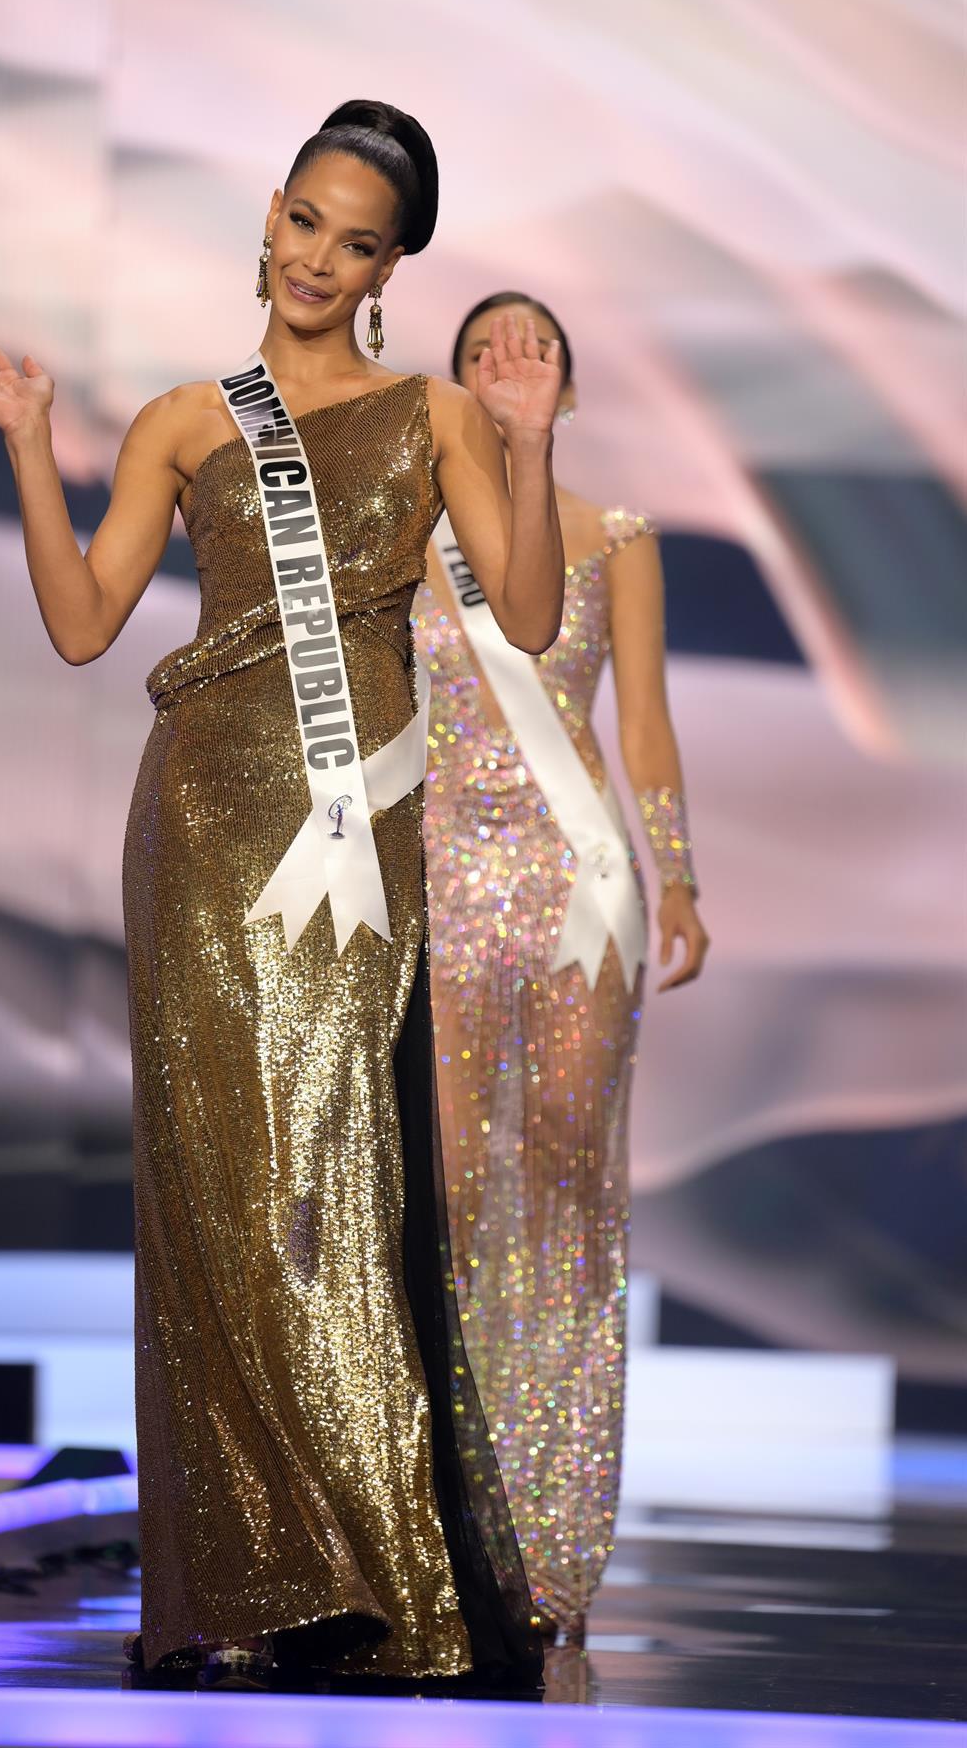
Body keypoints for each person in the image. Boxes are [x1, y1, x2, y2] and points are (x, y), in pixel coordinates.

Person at [0, 108, 565, 1689]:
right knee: (213, 1191)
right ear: (270, 216)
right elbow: (86, 623)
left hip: (347, 834)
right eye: (304, 220)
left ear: (389, 264)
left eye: (355, 241)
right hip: (206, 822)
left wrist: (530, 441)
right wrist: (30, 446)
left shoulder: (429, 411)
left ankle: (363, 1563)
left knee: (328, 1182)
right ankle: (239, 1578)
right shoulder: (179, 420)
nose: (316, 257)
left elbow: (532, 608)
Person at [415, 290, 710, 1646]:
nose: (504, 366)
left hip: (577, 886)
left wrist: (679, 877)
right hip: (435, 879)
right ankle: (448, 1520)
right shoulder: (405, 535)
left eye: (531, 350)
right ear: (452, 387)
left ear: (567, 393)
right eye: (481, 351)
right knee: (449, 1188)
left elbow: (638, 721)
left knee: (566, 1184)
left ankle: (554, 1529)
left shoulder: (617, 539)